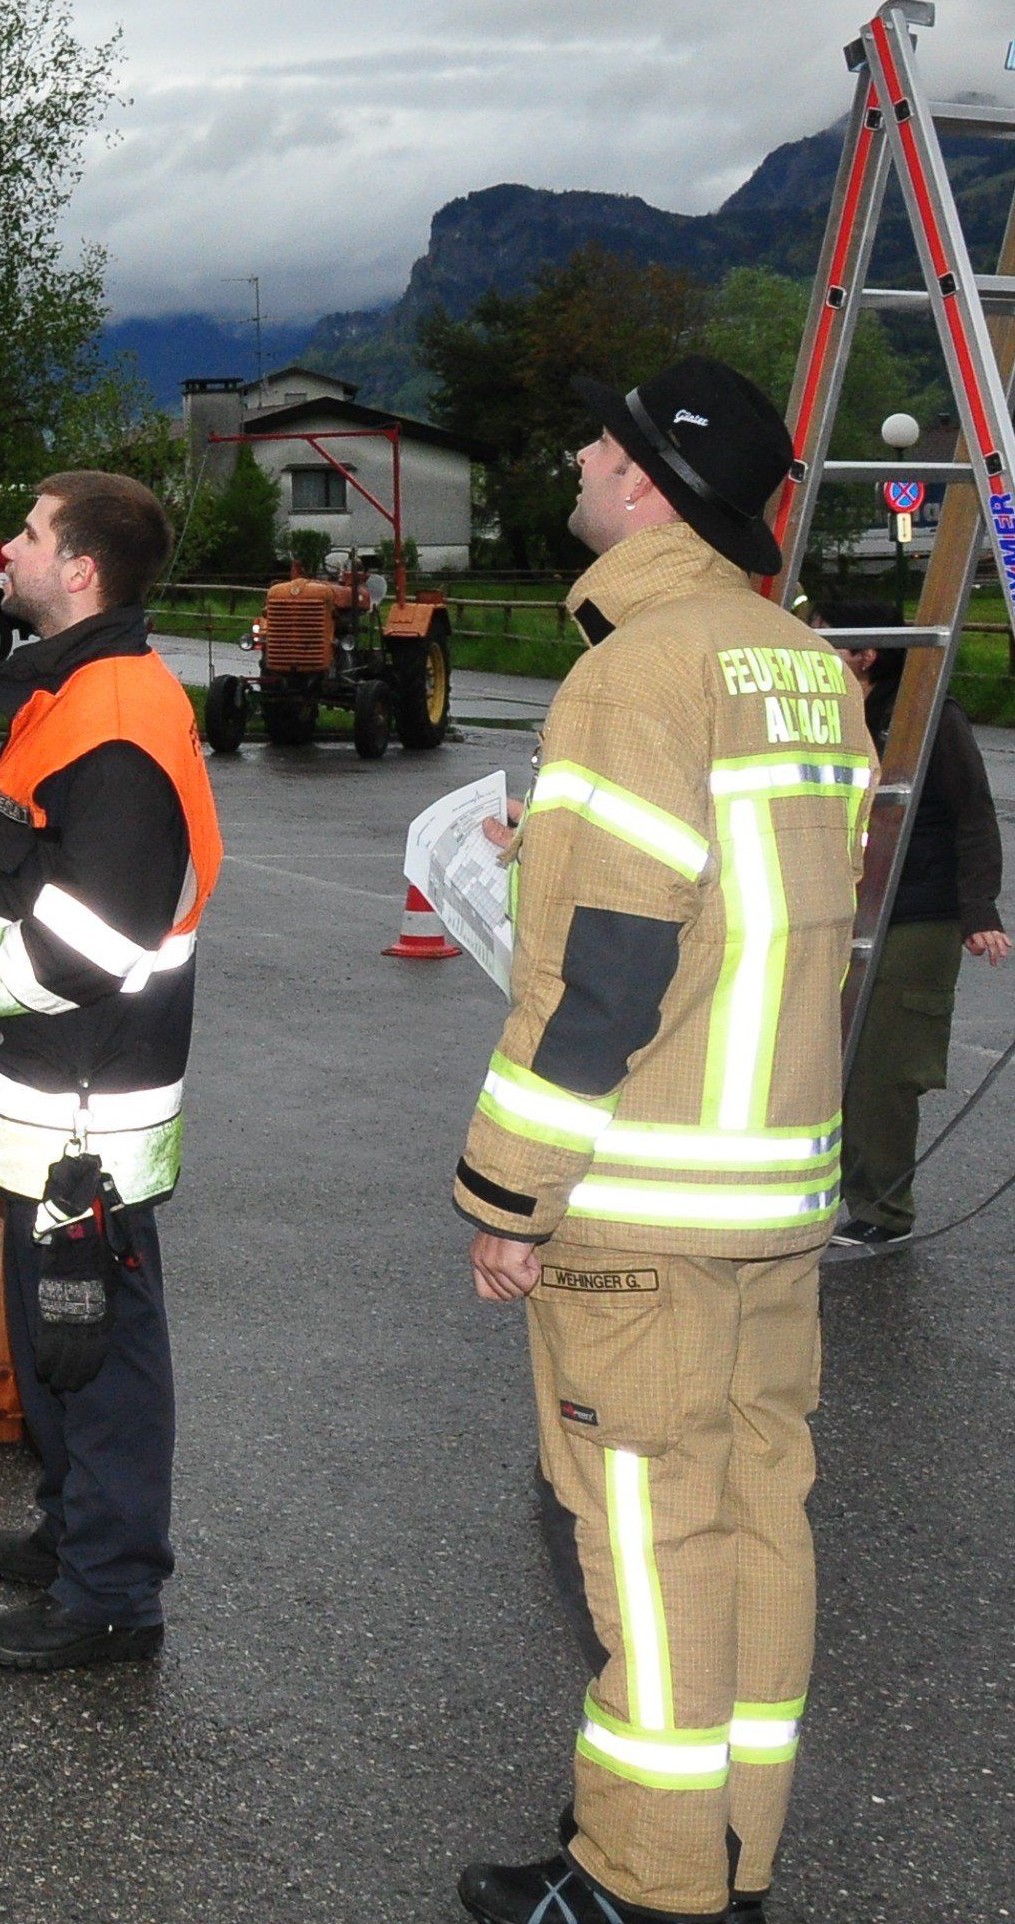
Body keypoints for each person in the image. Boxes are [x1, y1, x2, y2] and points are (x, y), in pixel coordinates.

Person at [449, 357, 868, 1924]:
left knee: (653, 1546)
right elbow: (767, 923)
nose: (571, 452)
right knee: (759, 1525)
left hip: (646, 1207)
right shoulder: (804, 661)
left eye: (597, 439)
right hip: (772, 1197)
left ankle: (645, 1884)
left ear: (645, 481)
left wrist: (512, 1192)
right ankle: (735, 1857)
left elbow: (603, 975)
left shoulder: (635, 672)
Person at [0, 469, 221, 1672]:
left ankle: (112, 1591)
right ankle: (79, 1527)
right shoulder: (74, 694)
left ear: (78, 570)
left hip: (88, 1101)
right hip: (58, 1087)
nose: (5, 549)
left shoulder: (114, 716)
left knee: (95, 1339)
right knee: (54, 1322)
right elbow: (29, 888)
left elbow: (91, 941)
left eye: (26, 532)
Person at [822, 617, 1007, 1246]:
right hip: (843, 908)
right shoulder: (835, 710)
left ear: (868, 654)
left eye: (828, 643)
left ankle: (883, 1212)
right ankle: (831, 1194)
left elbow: (974, 812)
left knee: (884, 1067)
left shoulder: (928, 717)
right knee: (825, 1058)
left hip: (916, 914)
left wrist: (978, 910)